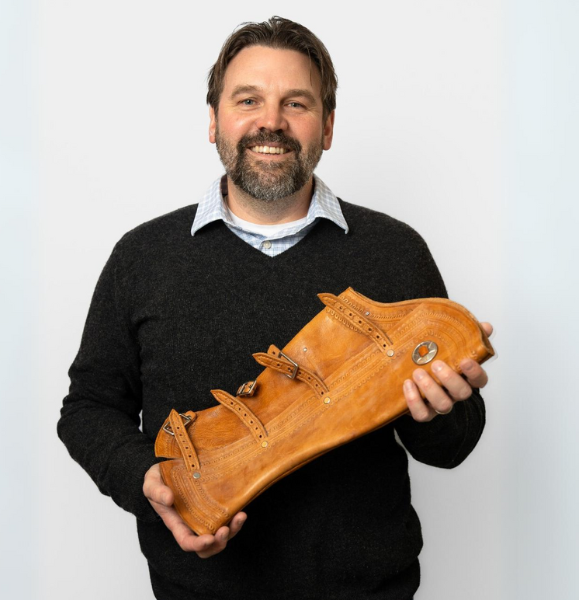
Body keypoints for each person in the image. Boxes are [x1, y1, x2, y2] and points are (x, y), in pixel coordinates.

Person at [58, 16, 492, 600]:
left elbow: (452, 445)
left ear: (327, 126)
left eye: (296, 103)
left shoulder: (394, 252)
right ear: (213, 121)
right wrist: (147, 480)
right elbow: (88, 407)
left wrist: (440, 411)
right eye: (248, 100)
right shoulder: (143, 257)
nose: (271, 121)